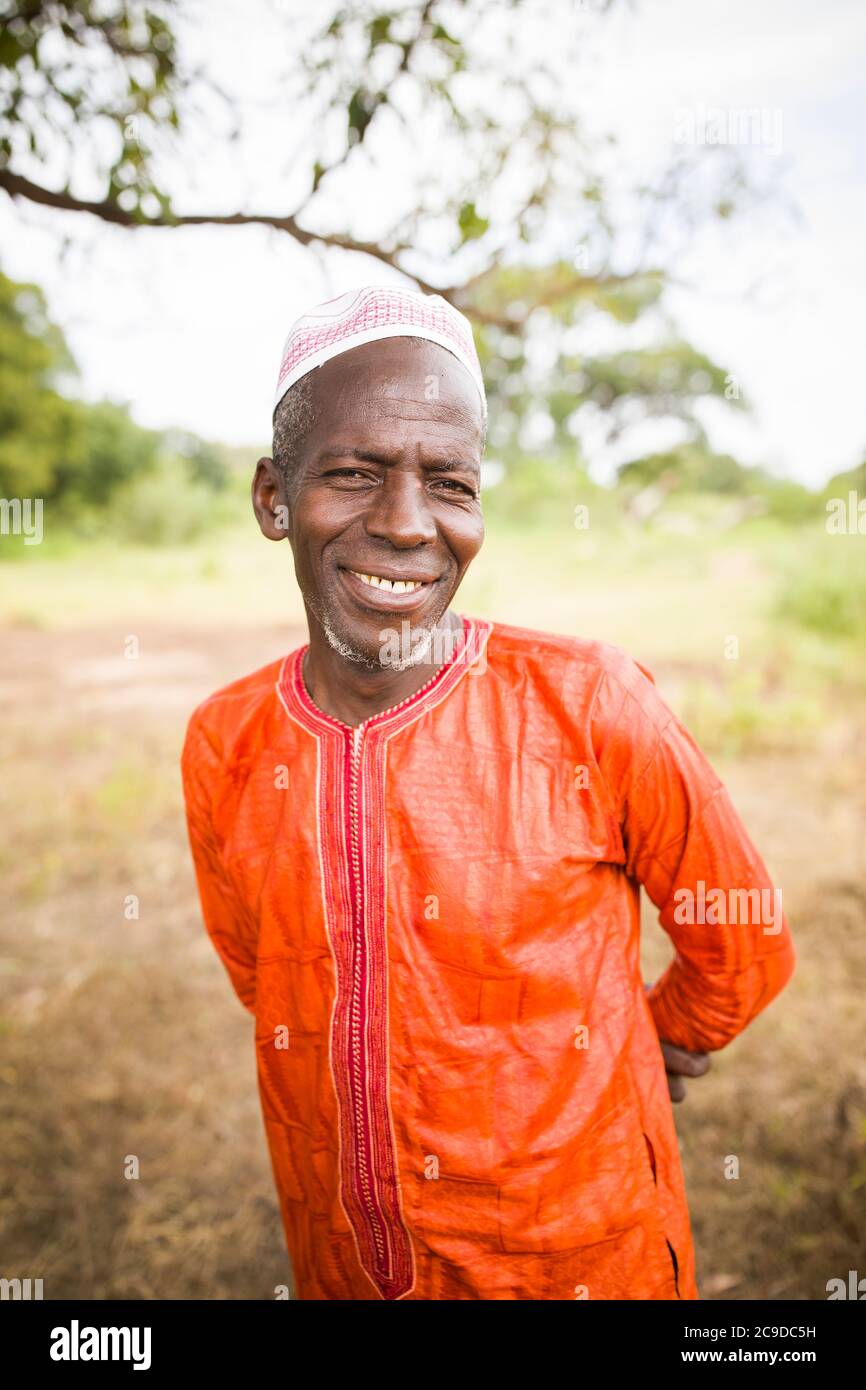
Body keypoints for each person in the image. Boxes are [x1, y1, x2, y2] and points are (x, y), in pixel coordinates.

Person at [180, 284, 795, 1301]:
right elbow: (269, 982)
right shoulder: (226, 739)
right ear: (272, 499)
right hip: (336, 1256)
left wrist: (638, 1052)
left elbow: (741, 940)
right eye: (354, 473)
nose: (407, 523)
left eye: (449, 484)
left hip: (577, 1258)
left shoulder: (588, 702)